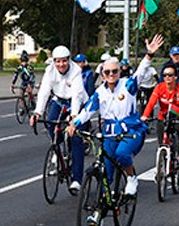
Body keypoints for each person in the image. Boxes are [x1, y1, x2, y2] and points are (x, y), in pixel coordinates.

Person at [69, 35, 163, 198]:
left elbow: (140, 72)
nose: (111, 74)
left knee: (122, 154)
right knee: (106, 171)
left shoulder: (128, 85)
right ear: (102, 74)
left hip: (131, 131)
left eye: (115, 71)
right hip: (110, 133)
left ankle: (131, 177)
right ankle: (101, 211)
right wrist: (74, 123)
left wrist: (149, 55)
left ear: (119, 72)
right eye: (107, 72)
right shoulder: (100, 92)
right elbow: (88, 110)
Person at [30, 46, 87, 193]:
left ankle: (77, 179)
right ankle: (58, 147)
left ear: (69, 60)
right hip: (59, 100)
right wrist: (37, 112)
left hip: (76, 102)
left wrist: (74, 116)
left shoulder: (76, 70)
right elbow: (43, 92)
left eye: (64, 61)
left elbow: (77, 95)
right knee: (50, 122)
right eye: (58, 61)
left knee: (76, 140)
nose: (61, 65)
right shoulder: (49, 71)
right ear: (54, 61)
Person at [141, 62, 179, 166]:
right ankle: (163, 157)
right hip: (163, 117)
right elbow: (151, 103)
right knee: (162, 141)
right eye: (165, 75)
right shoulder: (159, 88)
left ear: (175, 77)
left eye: (170, 75)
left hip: (178, 117)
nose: (167, 77)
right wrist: (145, 115)